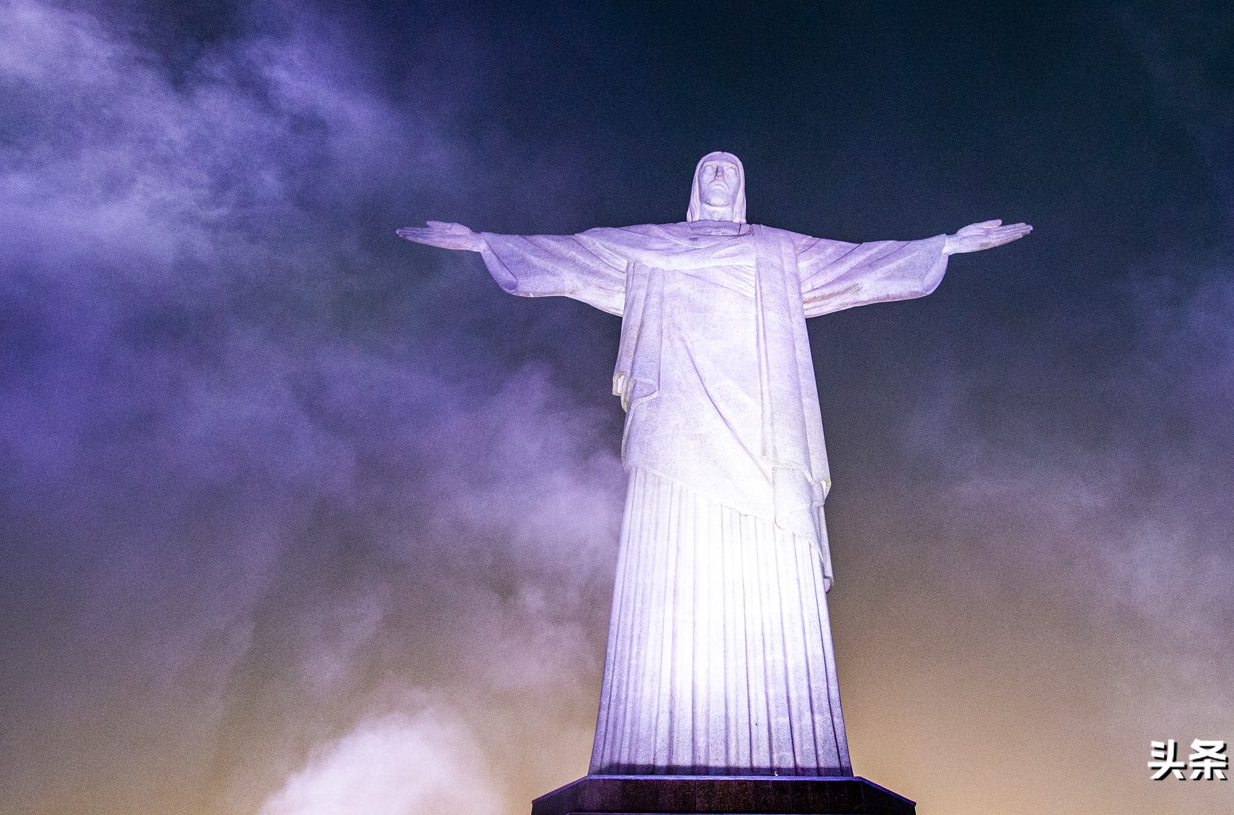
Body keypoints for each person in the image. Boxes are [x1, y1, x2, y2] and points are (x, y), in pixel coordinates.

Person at [399, 152, 1029, 776]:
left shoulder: (776, 248)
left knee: (771, 553)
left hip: (763, 429)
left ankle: (794, 752)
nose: (720, 175)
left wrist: (944, 246)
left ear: (743, 186)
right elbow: (571, 254)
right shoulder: (651, 245)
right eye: (709, 169)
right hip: (675, 423)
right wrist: (484, 243)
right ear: (695, 186)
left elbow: (859, 263)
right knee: (670, 553)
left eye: (730, 168)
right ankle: (651, 749)